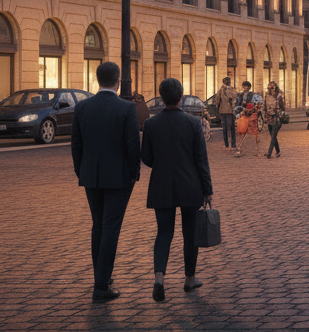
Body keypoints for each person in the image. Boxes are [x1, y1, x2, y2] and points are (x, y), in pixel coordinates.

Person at [72, 62, 141, 303]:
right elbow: (133, 144)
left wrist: (81, 170)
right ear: (118, 81)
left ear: (97, 80)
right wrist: (134, 172)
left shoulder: (82, 107)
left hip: (90, 174)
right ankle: (101, 285)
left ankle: (101, 277)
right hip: (119, 176)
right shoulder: (126, 108)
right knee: (110, 226)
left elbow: (76, 144)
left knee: (98, 225)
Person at [141, 77, 213, 302]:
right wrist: (207, 189)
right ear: (180, 96)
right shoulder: (193, 123)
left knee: (163, 233)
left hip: (161, 185)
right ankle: (189, 278)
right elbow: (201, 160)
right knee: (190, 233)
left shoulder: (151, 124)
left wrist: (161, 164)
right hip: (190, 184)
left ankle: (159, 279)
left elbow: (146, 158)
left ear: (161, 98)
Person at [235, 81, 261, 158]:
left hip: (250, 115)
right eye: (244, 86)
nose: (245, 88)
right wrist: (238, 112)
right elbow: (237, 105)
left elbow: (258, 104)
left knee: (254, 132)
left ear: (249, 88)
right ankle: (239, 148)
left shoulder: (253, 95)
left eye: (246, 87)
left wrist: (252, 109)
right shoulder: (240, 95)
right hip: (243, 115)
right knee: (241, 131)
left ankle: (257, 150)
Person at [262, 82, 285, 159]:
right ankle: (278, 151)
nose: (270, 90)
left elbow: (283, 107)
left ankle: (269, 153)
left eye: (272, 88)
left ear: (276, 88)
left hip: (277, 117)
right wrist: (264, 117)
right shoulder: (266, 95)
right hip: (269, 117)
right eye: (269, 88)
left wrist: (280, 113)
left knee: (273, 135)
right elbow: (264, 106)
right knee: (272, 135)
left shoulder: (279, 96)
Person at [215, 77, 237, 149]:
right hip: (230, 111)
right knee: (232, 128)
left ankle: (226, 144)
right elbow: (235, 99)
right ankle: (233, 144)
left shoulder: (221, 90)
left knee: (224, 128)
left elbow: (217, 100)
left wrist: (218, 108)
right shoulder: (233, 89)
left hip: (223, 111)